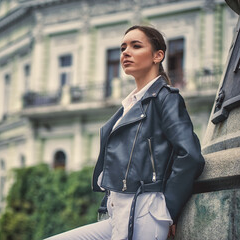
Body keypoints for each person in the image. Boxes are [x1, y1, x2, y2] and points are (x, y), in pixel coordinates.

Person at [45, 25, 205, 240]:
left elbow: (190, 155)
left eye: (136, 46)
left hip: (145, 210)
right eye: (122, 48)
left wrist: (168, 210)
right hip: (116, 213)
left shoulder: (166, 97)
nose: (125, 52)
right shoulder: (129, 104)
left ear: (158, 56)